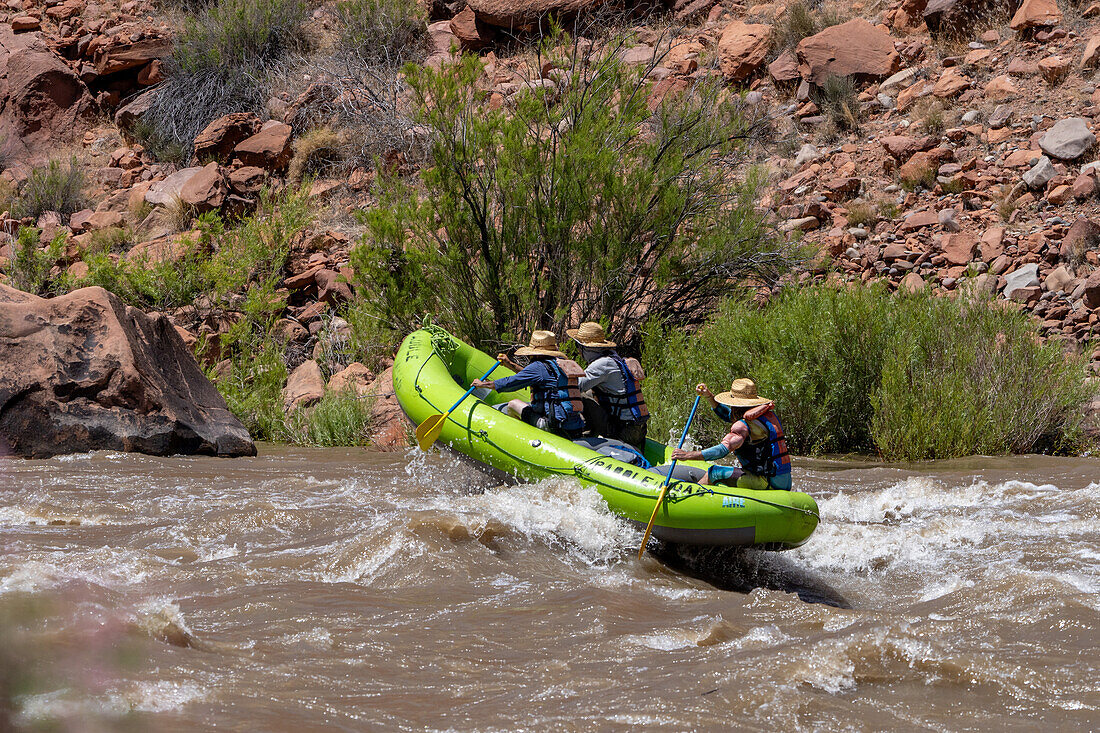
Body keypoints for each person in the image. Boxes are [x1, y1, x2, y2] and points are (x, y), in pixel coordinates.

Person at [670, 378, 792, 491]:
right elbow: (729, 416)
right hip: (784, 481)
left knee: (714, 472)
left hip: (766, 481)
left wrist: (688, 455)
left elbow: (723, 450)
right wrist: (709, 397)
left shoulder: (742, 426)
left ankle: (693, 501)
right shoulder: (764, 417)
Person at [472, 330, 586, 439]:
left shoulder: (539, 366)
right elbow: (529, 376)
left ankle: (520, 440)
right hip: (575, 427)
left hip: (555, 427)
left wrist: (482, 384)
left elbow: (511, 383)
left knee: (513, 405)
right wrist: (510, 364)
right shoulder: (559, 365)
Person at [564, 321, 649, 451]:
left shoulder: (602, 365)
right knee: (589, 393)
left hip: (623, 432)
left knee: (579, 395)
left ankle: (581, 433)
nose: (578, 352)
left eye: (578, 346)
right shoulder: (614, 358)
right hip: (637, 430)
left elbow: (575, 387)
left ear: (585, 348)